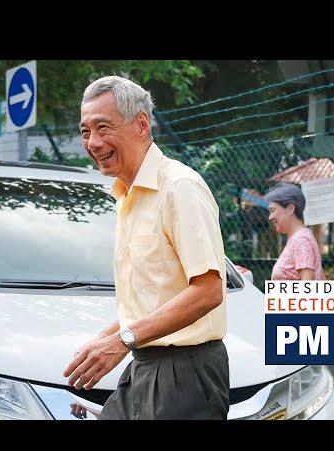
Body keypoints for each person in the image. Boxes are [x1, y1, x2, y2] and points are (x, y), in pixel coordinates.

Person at [63, 75, 230, 420]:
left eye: (103, 127)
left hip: (184, 374)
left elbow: (209, 290)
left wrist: (121, 340)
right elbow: (154, 298)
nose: (92, 142)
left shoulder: (179, 187)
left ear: (141, 124)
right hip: (145, 364)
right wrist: (105, 340)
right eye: (84, 131)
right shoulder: (127, 196)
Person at [266, 183, 325, 280]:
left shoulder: (300, 240)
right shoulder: (299, 237)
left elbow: (307, 287)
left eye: (273, 210)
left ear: (290, 209)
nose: (270, 217)